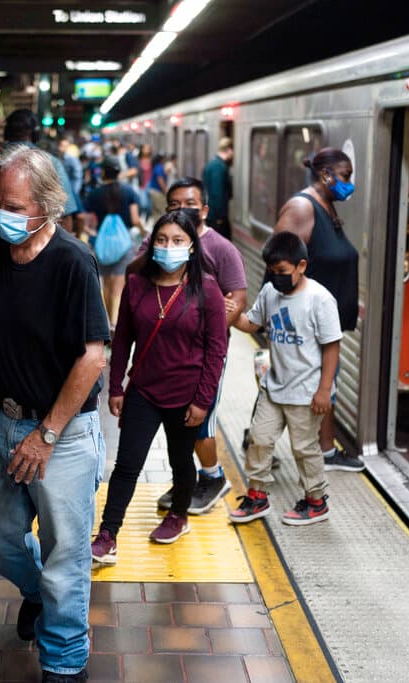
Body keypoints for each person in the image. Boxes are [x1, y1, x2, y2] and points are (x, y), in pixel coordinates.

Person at [0, 145, 110, 683]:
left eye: (14, 206)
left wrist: (46, 434)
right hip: (0, 419)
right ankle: (36, 590)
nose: (0, 214)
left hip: (62, 431)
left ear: (47, 206)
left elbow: (93, 356)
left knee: (66, 552)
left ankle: (65, 660)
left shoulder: (73, 262)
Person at [91, 210, 228, 564]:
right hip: (144, 392)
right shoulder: (137, 285)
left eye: (178, 240)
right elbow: (122, 339)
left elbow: (216, 350)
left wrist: (203, 400)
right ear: (152, 244)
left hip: (187, 395)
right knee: (127, 464)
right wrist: (116, 387)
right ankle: (108, 534)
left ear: (192, 247)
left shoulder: (207, 290)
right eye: (162, 240)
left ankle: (178, 516)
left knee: (180, 461)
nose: (169, 247)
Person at [141, 178, 247, 514]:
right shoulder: (157, 242)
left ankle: (213, 477)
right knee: (177, 423)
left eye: (189, 204)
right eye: (174, 205)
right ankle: (186, 479)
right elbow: (139, 277)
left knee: (199, 420)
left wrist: (205, 331)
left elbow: (238, 299)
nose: (181, 210)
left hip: (204, 354)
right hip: (166, 353)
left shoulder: (222, 249)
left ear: (204, 210)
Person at [227, 231, 341, 526]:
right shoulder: (269, 292)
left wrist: (325, 389)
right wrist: (232, 315)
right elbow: (252, 323)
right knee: (259, 439)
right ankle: (257, 496)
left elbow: (332, 346)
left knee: (304, 448)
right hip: (274, 386)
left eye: (281, 271)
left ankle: (316, 501)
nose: (275, 277)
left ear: (301, 265)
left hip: (307, 391)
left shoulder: (320, 299)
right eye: (271, 271)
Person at [273, 146, 363, 472]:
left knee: (323, 385)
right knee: (298, 386)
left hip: (324, 324)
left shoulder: (326, 206)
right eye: (345, 176)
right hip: (305, 323)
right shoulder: (302, 208)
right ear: (326, 175)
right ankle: (262, 441)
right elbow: (279, 264)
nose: (350, 183)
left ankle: (324, 449)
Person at [0, 109, 83, 267]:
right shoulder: (51, 164)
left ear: (6, 133)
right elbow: (66, 215)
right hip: (42, 258)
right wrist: (63, 254)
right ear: (35, 133)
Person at [83, 156, 143, 327]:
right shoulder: (129, 192)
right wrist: (144, 231)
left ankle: (108, 323)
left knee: (107, 284)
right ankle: (115, 325)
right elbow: (135, 219)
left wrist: (90, 233)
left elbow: (87, 221)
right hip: (124, 243)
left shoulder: (94, 194)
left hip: (102, 244)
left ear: (103, 172)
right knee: (118, 286)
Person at [202, 137, 234, 240]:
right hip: (216, 217)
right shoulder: (218, 167)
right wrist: (220, 217)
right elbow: (217, 193)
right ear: (228, 150)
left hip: (211, 214)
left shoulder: (212, 164)